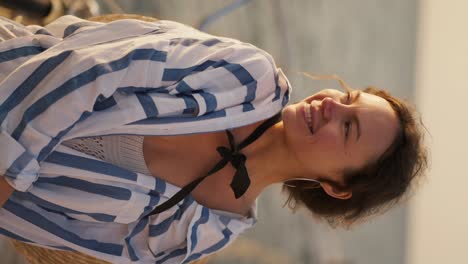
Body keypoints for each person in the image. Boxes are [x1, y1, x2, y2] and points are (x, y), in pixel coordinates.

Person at [0, 14, 427, 263]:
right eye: (349, 97)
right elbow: (87, 67)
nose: (333, 106)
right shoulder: (244, 76)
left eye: (348, 127)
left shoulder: (207, 231)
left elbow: (59, 231)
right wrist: (8, 168)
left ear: (337, 186)